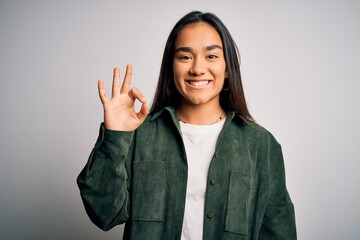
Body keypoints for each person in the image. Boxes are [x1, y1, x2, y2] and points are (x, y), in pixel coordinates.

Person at [77, 11, 296, 240]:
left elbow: (279, 233)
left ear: (228, 69)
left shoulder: (261, 145)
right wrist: (114, 136)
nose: (197, 69)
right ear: (171, 68)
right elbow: (103, 214)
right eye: (185, 57)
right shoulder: (140, 135)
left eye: (211, 56)